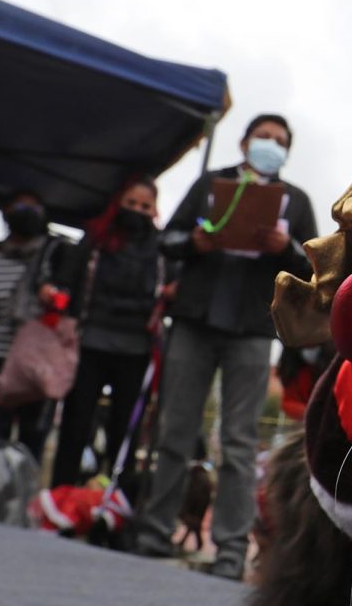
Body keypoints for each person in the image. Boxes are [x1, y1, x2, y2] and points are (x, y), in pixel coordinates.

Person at [132, 114, 318, 581]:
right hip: (194, 321)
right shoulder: (210, 184)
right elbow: (167, 240)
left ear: (287, 153)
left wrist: (285, 246)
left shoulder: (295, 201)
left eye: (279, 141)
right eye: (263, 137)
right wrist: (196, 240)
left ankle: (230, 550)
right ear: (243, 141)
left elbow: (314, 265)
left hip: (254, 332)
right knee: (175, 430)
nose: (269, 145)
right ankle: (154, 533)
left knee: (238, 442)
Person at [50, 177, 163, 491]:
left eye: (144, 206)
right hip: (89, 343)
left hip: (137, 349)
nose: (136, 211)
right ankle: (61, 494)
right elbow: (66, 281)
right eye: (131, 204)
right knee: (76, 422)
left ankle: (116, 502)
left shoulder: (161, 248)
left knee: (125, 430)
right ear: (117, 203)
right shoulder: (95, 240)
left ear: (154, 210)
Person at [0, 191, 72, 463]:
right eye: (19, 206)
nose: (26, 212)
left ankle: (20, 497)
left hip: (39, 359)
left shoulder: (59, 253)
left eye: (33, 206)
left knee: (33, 437)